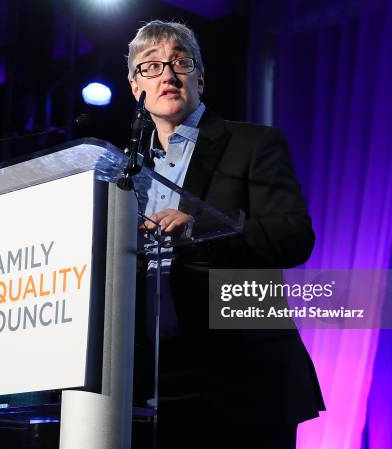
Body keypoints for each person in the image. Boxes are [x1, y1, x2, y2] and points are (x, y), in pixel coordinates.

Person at [127, 20, 325, 449]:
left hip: (239, 371)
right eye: (151, 66)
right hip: (148, 373)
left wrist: (201, 226)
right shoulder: (125, 171)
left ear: (201, 78)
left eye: (180, 62)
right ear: (134, 87)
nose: (167, 74)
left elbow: (293, 236)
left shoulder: (253, 143)